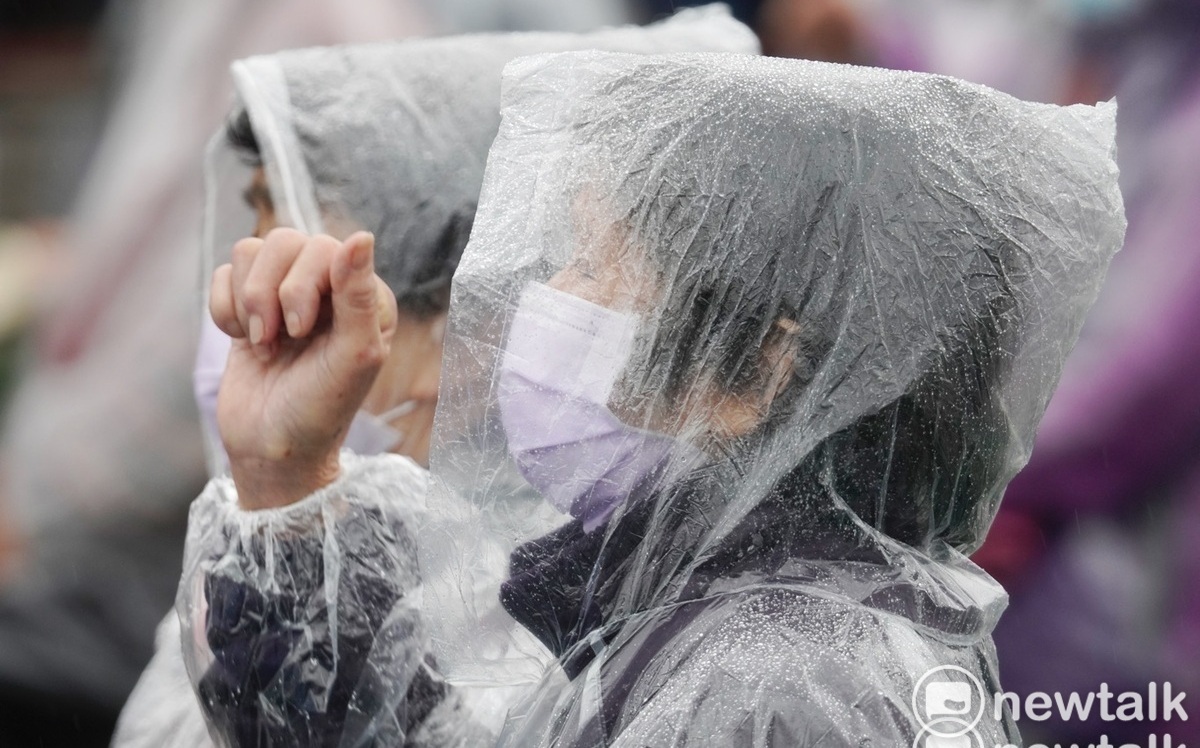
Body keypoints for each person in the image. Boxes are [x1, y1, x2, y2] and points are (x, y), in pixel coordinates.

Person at [172, 49, 1125, 745]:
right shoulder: (709, 630)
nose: (540, 301)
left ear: (755, 371)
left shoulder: (775, 690)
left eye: (592, 264)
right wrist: (286, 478)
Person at [113, 9, 760, 747]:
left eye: (287, 232)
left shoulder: (554, 616)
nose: (248, 279)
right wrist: (280, 496)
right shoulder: (251, 548)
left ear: (456, 313)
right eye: (254, 227)